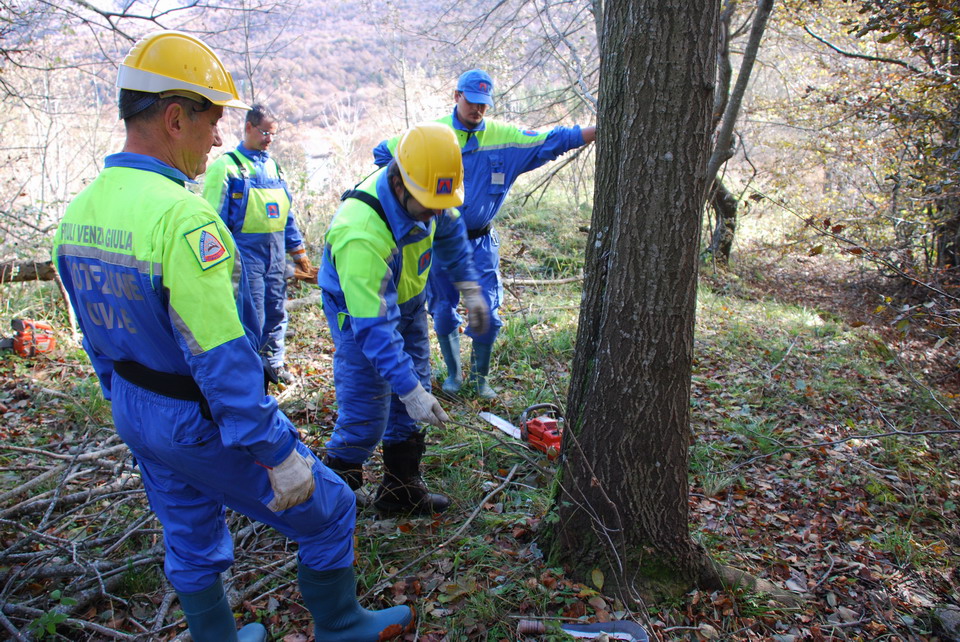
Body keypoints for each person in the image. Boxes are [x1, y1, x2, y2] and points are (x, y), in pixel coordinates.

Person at [52, 30, 411, 642]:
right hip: (197, 418)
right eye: (212, 120)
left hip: (137, 411)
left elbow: (95, 340)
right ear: (175, 118)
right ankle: (342, 625)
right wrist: (277, 453)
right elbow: (223, 362)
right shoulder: (182, 219)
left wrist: (125, 404)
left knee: (188, 534)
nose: (217, 138)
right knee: (331, 510)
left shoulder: (79, 212)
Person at [373, 69, 596, 398]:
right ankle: (454, 375)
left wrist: (597, 131)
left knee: (487, 312)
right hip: (437, 242)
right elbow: (384, 154)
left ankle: (480, 379)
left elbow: (553, 140)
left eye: (484, 104)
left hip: (481, 243)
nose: (477, 109)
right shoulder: (433, 134)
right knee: (442, 310)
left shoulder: (503, 138)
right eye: (472, 101)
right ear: (457, 96)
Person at [320, 122, 489, 515]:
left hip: (410, 303)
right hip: (360, 314)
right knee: (366, 411)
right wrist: (410, 391)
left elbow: (450, 233)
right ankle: (328, 508)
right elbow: (374, 329)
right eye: (428, 205)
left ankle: (400, 490)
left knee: (413, 394)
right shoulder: (361, 233)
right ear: (399, 184)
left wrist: (470, 288)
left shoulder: (429, 189)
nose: (435, 213)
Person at [202, 103, 315, 385]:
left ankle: (274, 365)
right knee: (251, 316)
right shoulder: (226, 167)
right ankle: (250, 373)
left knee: (276, 311)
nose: (269, 139)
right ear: (248, 128)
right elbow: (212, 221)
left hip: (275, 256)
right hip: (244, 256)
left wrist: (299, 254)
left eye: (273, 134)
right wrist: (215, 266)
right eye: (264, 132)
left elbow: (287, 215)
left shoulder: (275, 169)